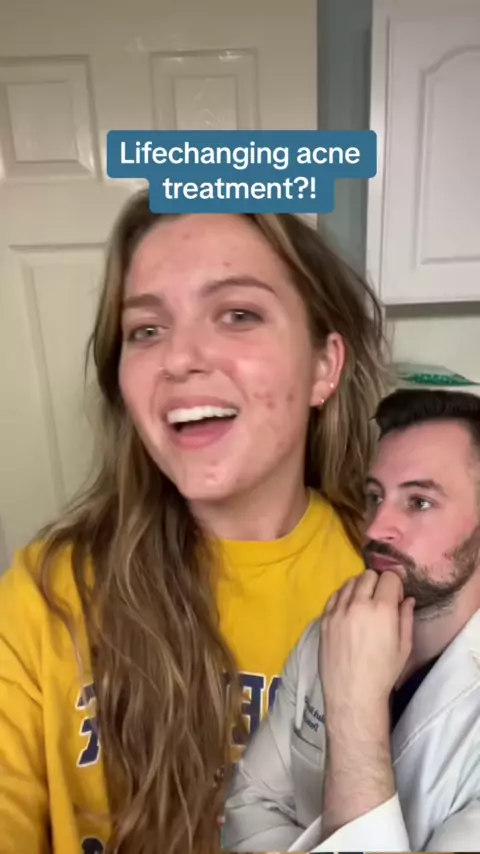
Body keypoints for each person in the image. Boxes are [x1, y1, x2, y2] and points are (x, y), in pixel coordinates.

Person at [0, 191, 387, 854]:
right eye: (146, 330)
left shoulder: (390, 579)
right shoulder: (49, 592)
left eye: (238, 314)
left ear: (324, 365)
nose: (179, 359)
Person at [222, 387, 480, 853]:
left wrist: (356, 713)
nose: (376, 527)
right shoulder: (333, 630)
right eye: (375, 496)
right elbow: (251, 807)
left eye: (419, 502)